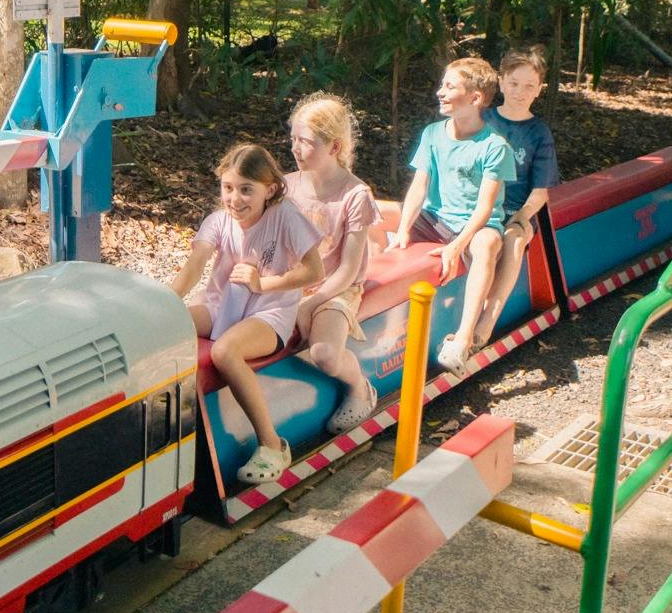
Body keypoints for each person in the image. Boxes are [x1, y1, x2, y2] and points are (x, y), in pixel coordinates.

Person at [169, 143, 324, 485]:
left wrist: (264, 284)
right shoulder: (218, 220)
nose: (234, 199)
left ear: (269, 190)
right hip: (220, 305)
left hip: (269, 310)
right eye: (227, 188)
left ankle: (272, 444)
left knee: (225, 351)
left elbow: (315, 271)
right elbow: (194, 266)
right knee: (168, 328)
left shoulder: (285, 216)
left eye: (245, 190)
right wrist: (165, 303)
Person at [388, 56, 517, 373]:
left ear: (474, 98)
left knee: (486, 244)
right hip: (434, 220)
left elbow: (486, 207)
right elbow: (420, 186)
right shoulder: (433, 133)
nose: (440, 93)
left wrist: (458, 245)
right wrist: (404, 228)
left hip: (474, 226)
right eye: (442, 85)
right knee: (375, 216)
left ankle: (463, 338)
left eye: (450, 87)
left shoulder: (494, 146)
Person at [284, 94, 382, 432]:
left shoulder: (355, 195)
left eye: (306, 142)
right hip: (292, 279)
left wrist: (310, 303)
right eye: (293, 139)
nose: (295, 148)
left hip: (336, 285)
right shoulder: (285, 186)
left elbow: (348, 270)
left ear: (335, 147)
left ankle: (360, 387)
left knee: (324, 353)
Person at [474, 49, 562, 350]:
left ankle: (486, 324)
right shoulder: (482, 120)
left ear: (539, 89)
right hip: (476, 205)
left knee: (512, 240)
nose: (520, 92)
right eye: (513, 83)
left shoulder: (538, 133)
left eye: (529, 86)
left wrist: (522, 217)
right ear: (501, 83)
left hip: (515, 209)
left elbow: (540, 192)